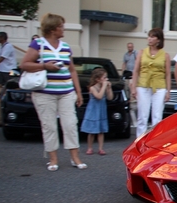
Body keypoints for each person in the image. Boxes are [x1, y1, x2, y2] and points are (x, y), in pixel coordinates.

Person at [19, 13, 87, 171]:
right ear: (52, 29)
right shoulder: (38, 44)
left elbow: (72, 70)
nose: (63, 29)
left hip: (66, 92)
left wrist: (78, 92)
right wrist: (44, 66)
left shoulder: (65, 46)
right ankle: (53, 159)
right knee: (49, 125)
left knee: (70, 124)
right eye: (61, 26)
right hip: (44, 93)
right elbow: (24, 64)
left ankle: (75, 157)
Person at [130, 28, 171, 138]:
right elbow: (136, 70)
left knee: (157, 117)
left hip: (159, 87)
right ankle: (139, 142)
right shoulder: (142, 52)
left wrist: (168, 91)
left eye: (153, 36)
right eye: (149, 36)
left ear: (158, 40)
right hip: (143, 85)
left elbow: (167, 74)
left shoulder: (165, 55)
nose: (150, 39)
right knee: (142, 116)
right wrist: (133, 87)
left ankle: (155, 141)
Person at [80, 67, 113, 155]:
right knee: (92, 131)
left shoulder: (104, 87)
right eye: (104, 78)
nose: (106, 79)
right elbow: (99, 96)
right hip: (93, 112)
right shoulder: (92, 88)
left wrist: (109, 88)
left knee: (101, 131)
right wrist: (104, 87)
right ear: (98, 79)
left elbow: (110, 98)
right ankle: (90, 147)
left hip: (101, 111)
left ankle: (100, 148)